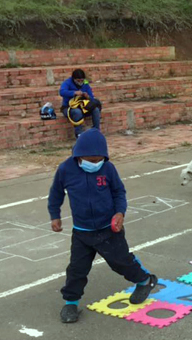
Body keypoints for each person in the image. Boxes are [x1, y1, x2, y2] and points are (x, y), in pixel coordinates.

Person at [48, 129, 157, 323]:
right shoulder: (66, 169)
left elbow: (119, 192)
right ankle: (71, 303)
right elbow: (56, 193)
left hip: (109, 229)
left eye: (99, 159)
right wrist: (54, 215)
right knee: (77, 269)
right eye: (91, 160)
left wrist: (120, 212)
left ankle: (145, 281)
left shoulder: (108, 169)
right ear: (78, 156)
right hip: (82, 231)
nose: (95, 164)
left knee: (121, 262)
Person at [60, 69, 102, 138]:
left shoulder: (85, 83)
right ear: (74, 79)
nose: (80, 82)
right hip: (69, 108)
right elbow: (62, 92)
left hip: (83, 106)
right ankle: (79, 134)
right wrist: (74, 93)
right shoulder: (67, 82)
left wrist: (87, 96)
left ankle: (96, 130)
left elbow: (91, 96)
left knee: (96, 110)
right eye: (78, 81)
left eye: (81, 80)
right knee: (77, 112)